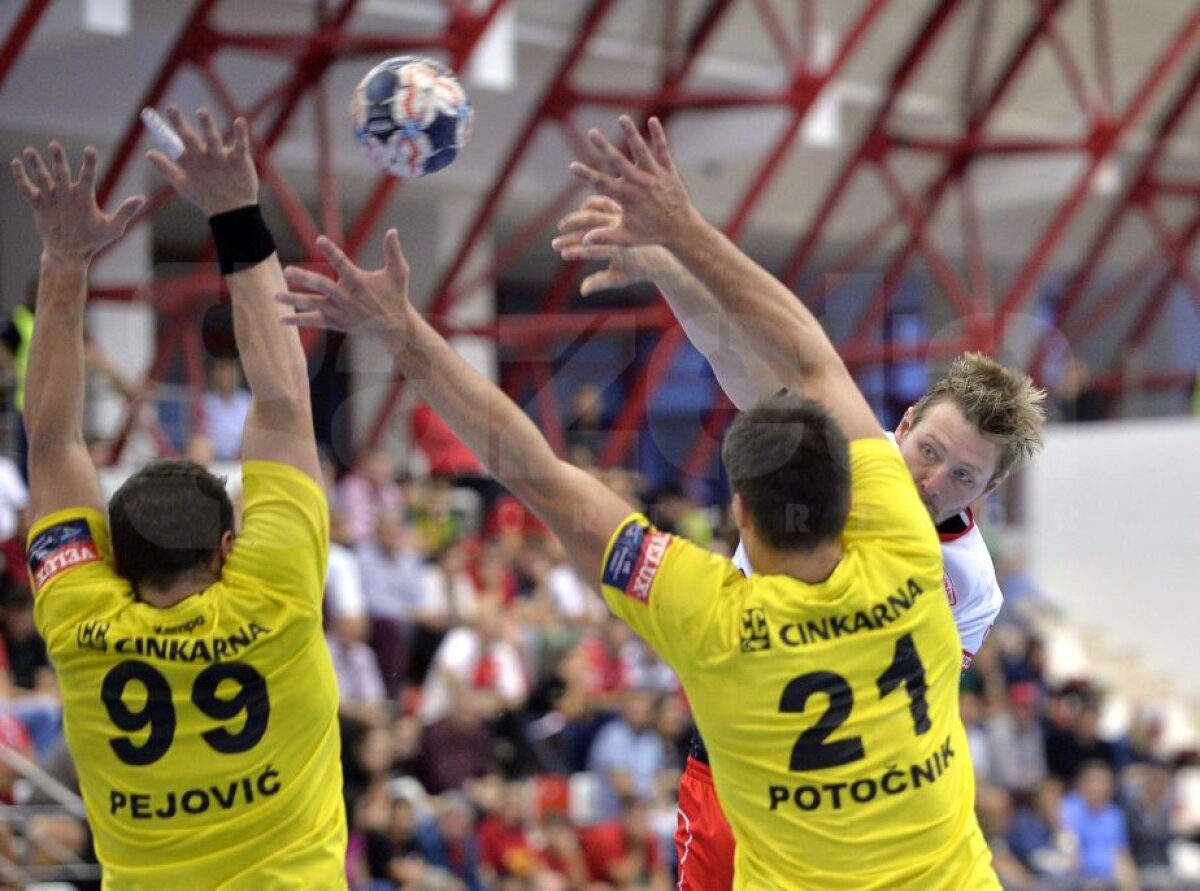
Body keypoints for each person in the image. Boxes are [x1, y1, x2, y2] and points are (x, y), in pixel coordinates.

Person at [276, 215, 996, 887]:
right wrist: (680, 229)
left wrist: (402, 332)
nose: (934, 477)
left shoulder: (705, 611)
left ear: (739, 511)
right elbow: (814, 363)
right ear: (856, 490)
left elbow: (539, 474)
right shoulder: (911, 540)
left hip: (756, 800)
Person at [555, 115, 1045, 889]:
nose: (932, 481)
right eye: (930, 452)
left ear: (991, 492)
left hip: (846, 805)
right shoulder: (841, 458)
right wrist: (667, 266)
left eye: (962, 477)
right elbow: (739, 360)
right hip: (736, 758)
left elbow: (906, 719)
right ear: (904, 425)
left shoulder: (972, 585)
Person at [11, 107, 345, 886]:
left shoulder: (81, 618)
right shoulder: (274, 594)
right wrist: (236, 210)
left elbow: (53, 443)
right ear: (227, 548)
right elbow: (286, 405)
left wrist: (60, 265)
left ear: (115, 561)